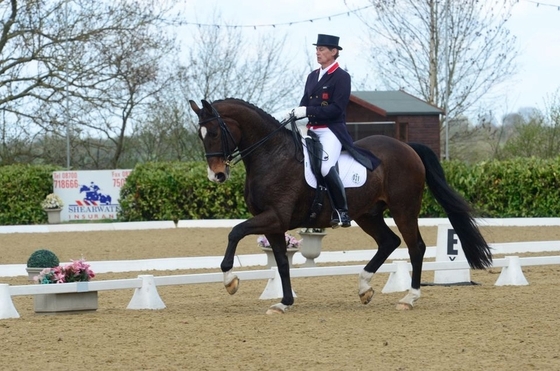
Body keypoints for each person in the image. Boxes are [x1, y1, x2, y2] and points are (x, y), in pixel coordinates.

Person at [286, 34, 361, 228]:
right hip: (310, 129)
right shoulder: (312, 76)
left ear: (334, 52)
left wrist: (308, 111)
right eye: (317, 49)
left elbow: (336, 109)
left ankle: (342, 211)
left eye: (322, 49)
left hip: (331, 130)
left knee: (325, 167)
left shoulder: (342, 77)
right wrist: (296, 116)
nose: (317, 53)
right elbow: (305, 103)